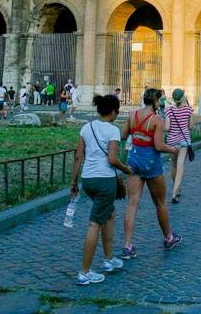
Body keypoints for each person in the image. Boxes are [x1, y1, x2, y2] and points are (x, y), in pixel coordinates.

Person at [70, 93, 132, 285]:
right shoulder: (113, 130)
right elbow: (112, 159)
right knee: (94, 223)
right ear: (113, 112)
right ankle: (85, 272)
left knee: (109, 214)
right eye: (117, 112)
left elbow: (79, 157)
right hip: (105, 180)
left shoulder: (86, 127)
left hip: (88, 179)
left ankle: (108, 259)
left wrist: (74, 182)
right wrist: (125, 169)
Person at [120, 88, 182, 256]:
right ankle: (168, 237)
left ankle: (127, 245)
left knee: (132, 204)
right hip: (151, 161)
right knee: (160, 202)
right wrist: (174, 150)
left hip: (133, 159)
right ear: (155, 101)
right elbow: (159, 146)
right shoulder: (157, 119)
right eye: (159, 101)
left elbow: (124, 135)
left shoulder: (132, 116)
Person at [165, 89, 194, 204]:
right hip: (184, 140)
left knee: (173, 165)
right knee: (180, 165)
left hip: (172, 140)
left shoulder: (168, 111)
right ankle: (174, 191)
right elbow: (191, 127)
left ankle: (176, 189)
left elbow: (167, 128)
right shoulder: (188, 110)